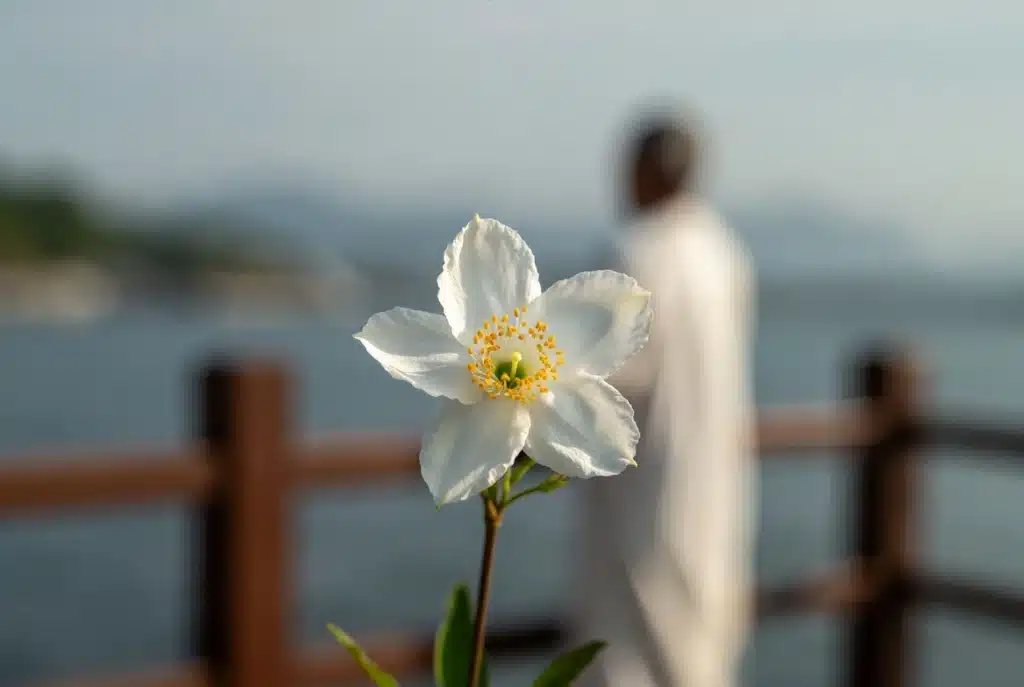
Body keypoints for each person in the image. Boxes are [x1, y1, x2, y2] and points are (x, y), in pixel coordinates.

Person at [572, 111, 757, 687]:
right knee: (699, 626)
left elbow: (605, 368)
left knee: (627, 636)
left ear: (645, 172)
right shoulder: (725, 252)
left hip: (642, 474)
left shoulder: (634, 249)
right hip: (716, 474)